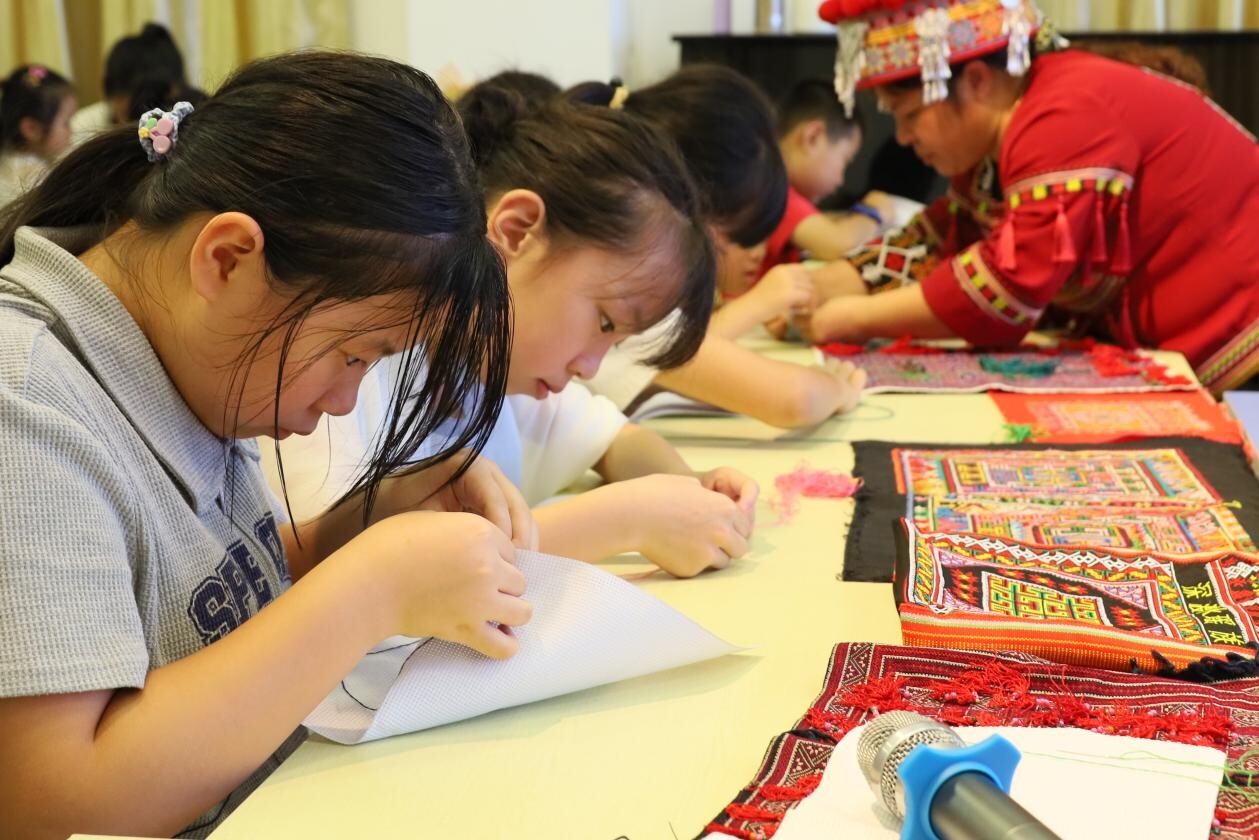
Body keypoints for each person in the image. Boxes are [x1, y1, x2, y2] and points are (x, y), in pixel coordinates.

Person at [0, 51, 538, 838]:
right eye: (352, 355)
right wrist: (372, 588)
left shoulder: (189, 354)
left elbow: (193, 596)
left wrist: (357, 526)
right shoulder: (23, 400)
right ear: (227, 259)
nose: (344, 400)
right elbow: (51, 802)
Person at [269, 81, 759, 578]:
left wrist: (690, 490)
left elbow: (615, 440)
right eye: (605, 322)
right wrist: (631, 519)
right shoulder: (354, 358)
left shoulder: (487, 366)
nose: (591, 366)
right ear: (517, 230)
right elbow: (342, 564)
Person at [807, 0, 1259, 394]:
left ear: (977, 81)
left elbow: (1009, 286)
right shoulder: (1008, 131)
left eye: (912, 115)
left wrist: (856, 317)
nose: (903, 137)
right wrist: (829, 284)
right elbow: (945, 237)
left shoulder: (1061, 114)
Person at [576, 66, 868, 428]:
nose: (754, 251)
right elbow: (796, 399)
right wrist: (840, 389)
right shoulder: (632, 293)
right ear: (695, 209)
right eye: (738, 236)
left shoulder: (610, 256)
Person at [763, 78, 894, 272]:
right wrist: (874, 212)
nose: (841, 180)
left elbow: (821, 224)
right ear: (813, 137)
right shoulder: (773, 192)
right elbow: (839, 244)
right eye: (845, 160)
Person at [70, 23, 186, 143]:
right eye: (141, 105)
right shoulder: (83, 130)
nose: (150, 117)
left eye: (159, 103)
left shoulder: (187, 122)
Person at [0, 65, 76, 205]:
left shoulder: (10, 158)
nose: (72, 131)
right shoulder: (33, 177)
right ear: (31, 129)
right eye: (66, 123)